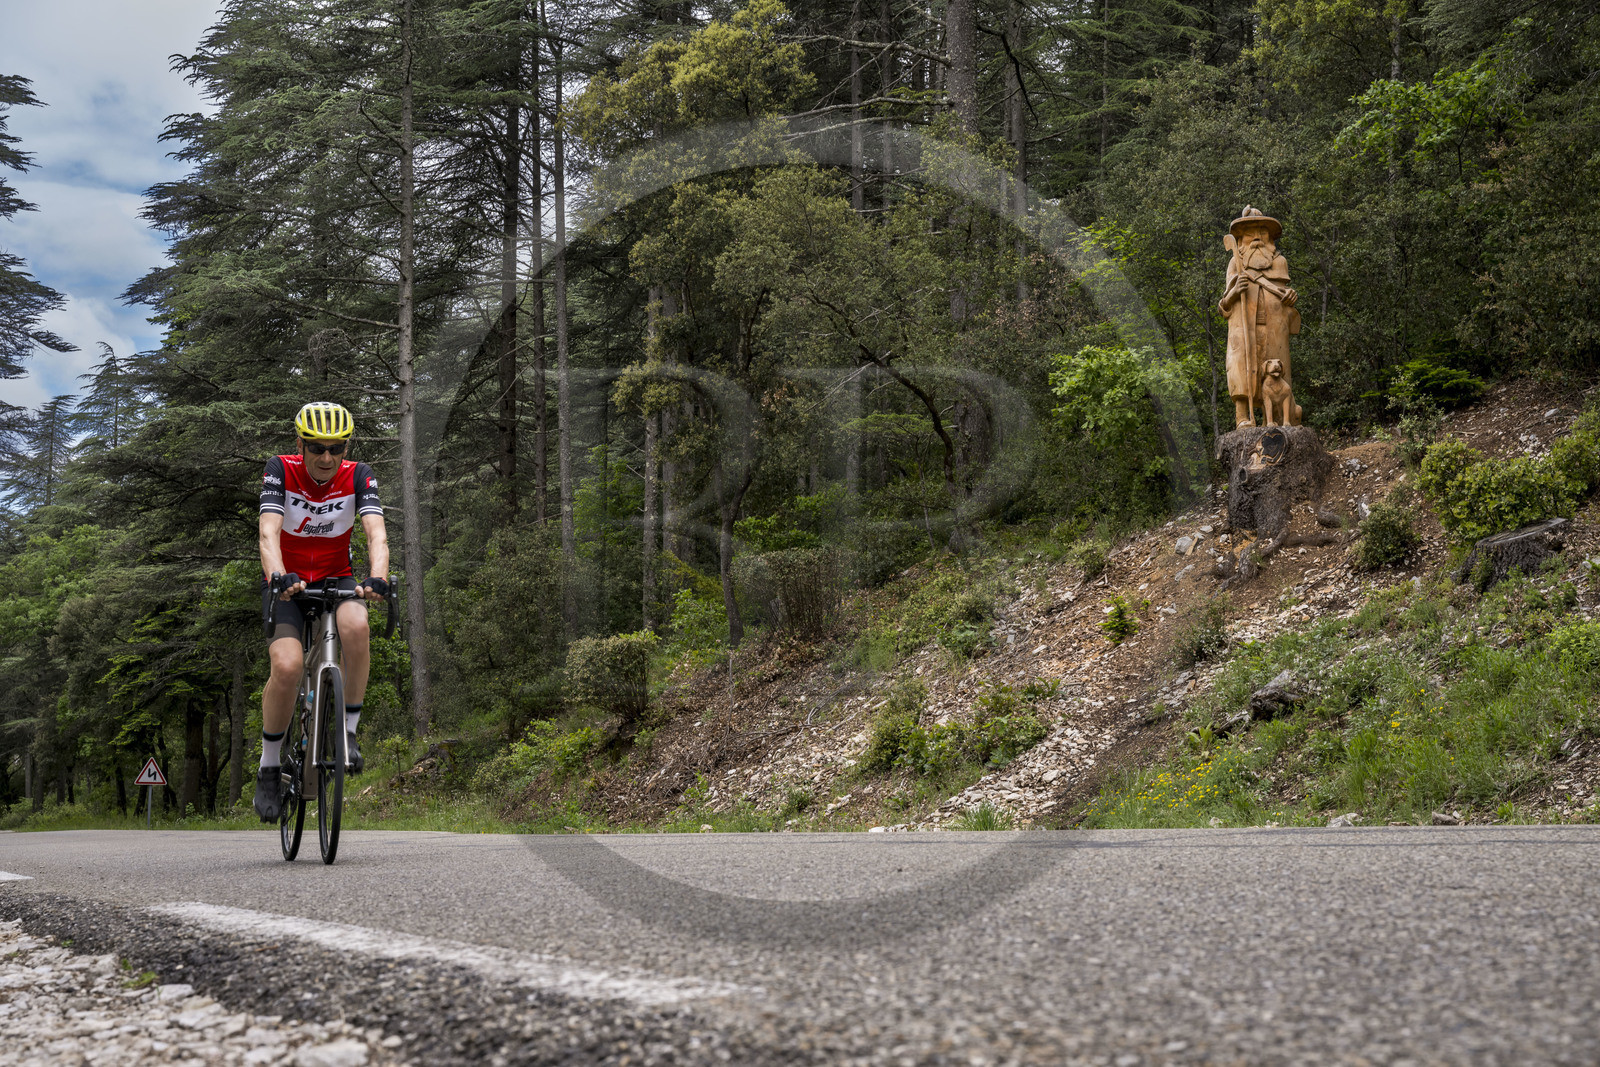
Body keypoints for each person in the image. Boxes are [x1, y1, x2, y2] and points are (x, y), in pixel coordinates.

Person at [254, 401, 389, 822]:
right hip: (287, 581)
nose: (327, 457)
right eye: (316, 448)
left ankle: (347, 734)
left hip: (336, 577)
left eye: (336, 448)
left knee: (357, 626)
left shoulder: (358, 475)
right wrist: (278, 576)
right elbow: (268, 532)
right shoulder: (280, 469)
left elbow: (376, 533)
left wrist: (378, 577)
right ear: (300, 445)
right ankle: (269, 767)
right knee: (287, 666)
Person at [1219, 206, 1301, 428]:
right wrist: (1234, 292)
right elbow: (1223, 305)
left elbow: (1284, 294)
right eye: (1249, 234)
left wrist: (1289, 297)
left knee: (1275, 368)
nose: (1256, 238)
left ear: (1270, 237)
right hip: (1243, 328)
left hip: (1274, 327)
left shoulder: (1280, 262)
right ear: (1240, 239)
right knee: (1241, 368)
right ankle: (1242, 416)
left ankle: (1274, 418)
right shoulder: (1235, 263)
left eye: (1262, 233)